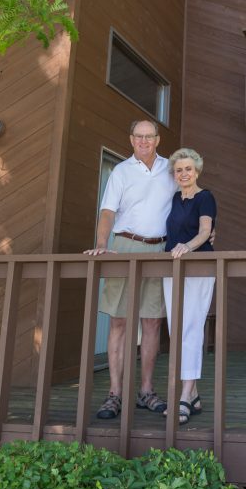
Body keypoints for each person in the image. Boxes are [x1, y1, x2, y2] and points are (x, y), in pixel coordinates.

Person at [84, 119, 175, 419]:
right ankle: (114, 393)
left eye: (150, 136)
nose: (144, 141)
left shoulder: (171, 168)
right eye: (139, 136)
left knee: (152, 323)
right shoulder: (121, 171)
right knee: (119, 322)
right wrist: (101, 242)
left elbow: (188, 198)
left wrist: (206, 229)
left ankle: (146, 391)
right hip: (124, 245)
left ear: (158, 140)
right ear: (131, 139)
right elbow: (108, 211)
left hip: (160, 249)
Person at [162, 147, 216, 425]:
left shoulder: (205, 197)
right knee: (177, 329)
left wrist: (188, 246)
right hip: (172, 268)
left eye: (188, 169)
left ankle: (184, 395)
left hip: (198, 267)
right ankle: (193, 395)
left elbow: (205, 231)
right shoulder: (172, 199)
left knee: (192, 328)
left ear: (197, 171)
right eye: (179, 170)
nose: (184, 173)